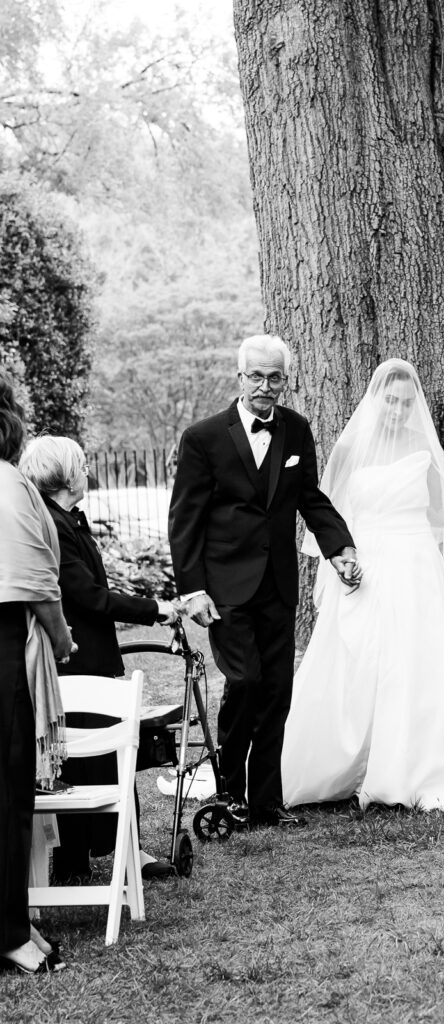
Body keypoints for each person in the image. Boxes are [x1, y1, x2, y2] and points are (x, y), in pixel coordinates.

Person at [168, 334, 361, 828]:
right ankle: (229, 793)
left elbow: (311, 498)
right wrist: (192, 590)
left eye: (275, 377)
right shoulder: (203, 437)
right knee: (245, 682)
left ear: (285, 380)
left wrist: (340, 548)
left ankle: (266, 803)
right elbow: (185, 519)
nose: (266, 386)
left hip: (277, 586)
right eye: (256, 376)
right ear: (240, 378)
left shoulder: (297, 430)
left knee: (277, 691)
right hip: (224, 588)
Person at [281, 358, 444, 811]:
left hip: (415, 565)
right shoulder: (351, 448)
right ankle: (338, 766)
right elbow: (328, 515)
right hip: (368, 561)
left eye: (405, 403)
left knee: (412, 663)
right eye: (390, 401)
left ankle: (409, 771)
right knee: (358, 663)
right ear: (376, 399)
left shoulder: (423, 448)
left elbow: (438, 511)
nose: (397, 411)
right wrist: (341, 563)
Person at [19, 435, 178, 881]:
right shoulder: (52, 526)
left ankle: (102, 856)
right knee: (93, 756)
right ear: (66, 474)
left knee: (98, 759)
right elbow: (88, 597)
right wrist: (157, 608)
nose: (88, 469)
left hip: (91, 656)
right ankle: (81, 861)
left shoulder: (66, 520)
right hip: (77, 658)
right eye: (82, 463)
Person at [0, 372, 72, 973]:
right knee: (8, 790)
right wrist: (62, 639)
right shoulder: (8, 484)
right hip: (3, 647)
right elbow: (34, 583)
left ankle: (16, 924)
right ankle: (9, 933)